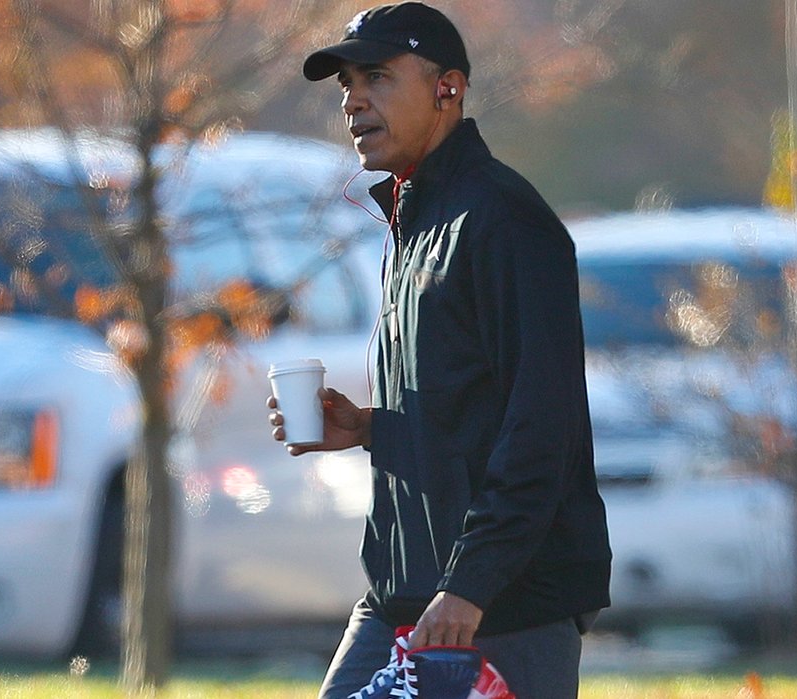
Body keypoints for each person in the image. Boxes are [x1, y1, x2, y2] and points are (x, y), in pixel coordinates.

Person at [267, 3, 612, 697]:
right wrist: (372, 427)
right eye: (345, 86)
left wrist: (470, 587)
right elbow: (469, 410)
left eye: (376, 77)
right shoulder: (416, 214)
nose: (354, 100)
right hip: (405, 592)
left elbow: (542, 427)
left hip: (501, 605)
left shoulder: (505, 220)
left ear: (447, 86)